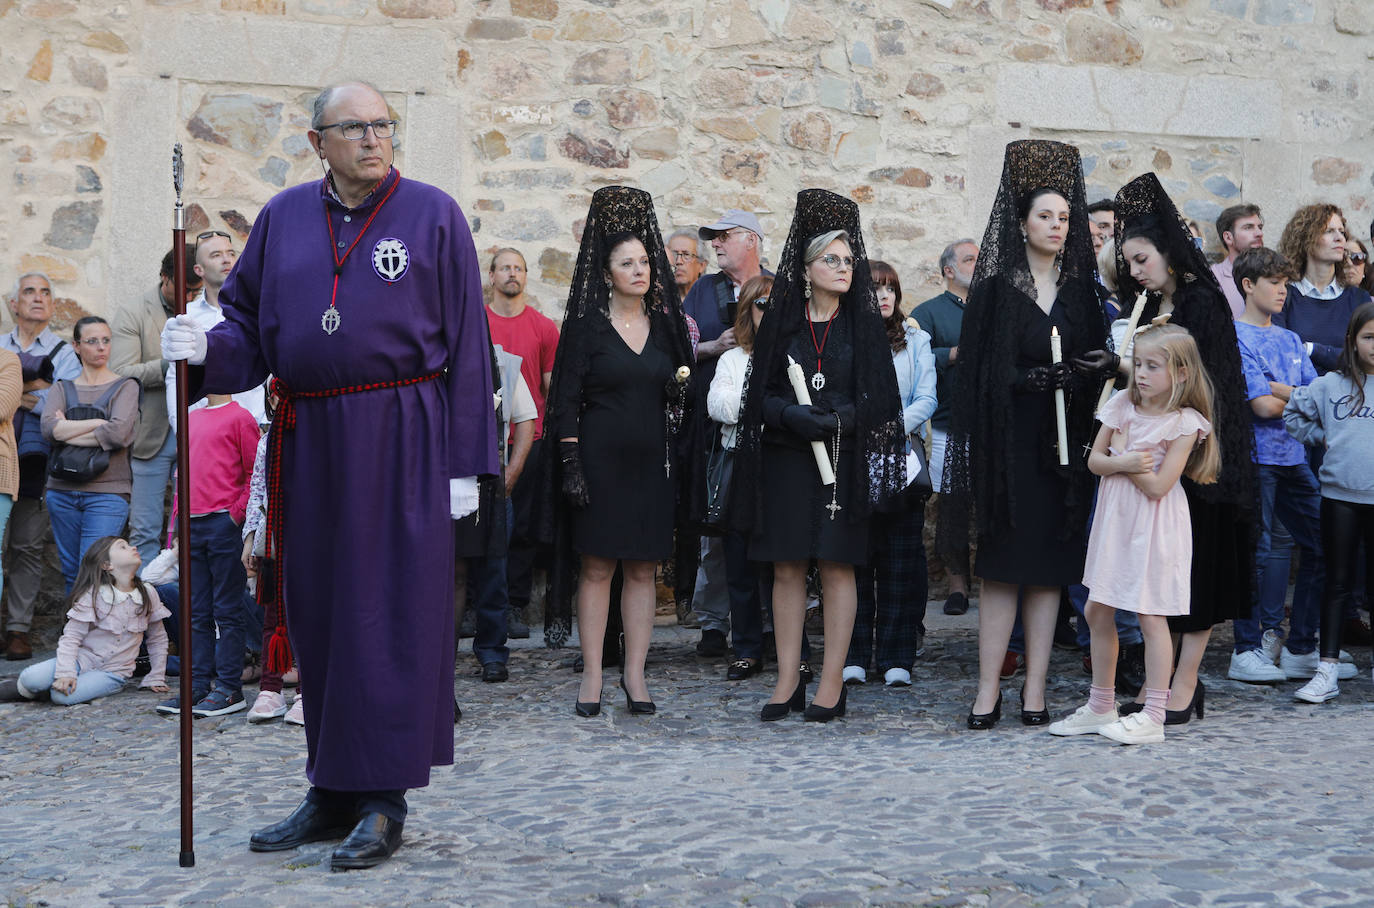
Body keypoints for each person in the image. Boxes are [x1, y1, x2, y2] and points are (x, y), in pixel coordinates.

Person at [160, 81, 497, 871]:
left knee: (387, 613)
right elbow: (245, 324)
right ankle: (330, 786)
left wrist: (463, 466)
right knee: (319, 609)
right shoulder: (281, 219)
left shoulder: (433, 214)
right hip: (310, 435)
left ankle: (382, 799)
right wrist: (202, 345)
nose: (374, 139)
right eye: (355, 128)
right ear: (318, 142)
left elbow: (470, 344)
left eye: (383, 125)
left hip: (403, 432)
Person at [938, 141, 1115, 730]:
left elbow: (1095, 363)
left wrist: (1095, 371)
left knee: (1047, 572)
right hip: (1009, 448)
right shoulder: (994, 292)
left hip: (1060, 455)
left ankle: (1035, 689)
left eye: (1066, 218)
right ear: (1021, 223)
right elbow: (982, 376)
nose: (1058, 226)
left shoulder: (1082, 293)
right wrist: (1039, 375)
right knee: (1004, 570)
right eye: (1046, 216)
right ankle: (988, 688)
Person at [730, 188, 904, 723]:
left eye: (849, 260)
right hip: (787, 458)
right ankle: (788, 678)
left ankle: (832, 681)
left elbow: (881, 396)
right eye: (833, 259)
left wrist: (840, 419)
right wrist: (790, 416)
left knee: (836, 565)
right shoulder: (783, 322)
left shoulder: (862, 326)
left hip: (841, 460)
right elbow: (759, 393)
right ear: (807, 268)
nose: (844, 268)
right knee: (786, 568)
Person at [538, 185, 694, 717]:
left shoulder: (666, 328)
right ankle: (590, 674)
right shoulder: (585, 327)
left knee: (644, 570)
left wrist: (678, 391)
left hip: (652, 465)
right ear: (606, 273)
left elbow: (680, 393)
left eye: (645, 261)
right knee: (599, 567)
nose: (639, 270)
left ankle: (635, 675)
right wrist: (571, 464)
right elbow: (564, 402)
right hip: (599, 465)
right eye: (627, 263)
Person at [1112, 172, 1259, 723]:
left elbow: (1191, 380)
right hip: (1166, 455)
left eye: (1141, 259)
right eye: (1128, 262)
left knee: (1199, 573)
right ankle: (1166, 685)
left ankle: (1185, 684)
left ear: (1170, 256)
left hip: (1203, 460)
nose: (1134, 271)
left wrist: (1121, 367)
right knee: (1168, 572)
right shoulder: (1155, 307)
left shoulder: (1199, 302)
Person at [1049, 325, 1218, 744]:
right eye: (1138, 364)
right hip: (1116, 521)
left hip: (1154, 526)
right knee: (1096, 610)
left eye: (1151, 366)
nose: (1139, 373)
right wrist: (1125, 460)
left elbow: (1161, 486)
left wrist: (1125, 461)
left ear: (1180, 373)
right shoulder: (1123, 403)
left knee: (1150, 615)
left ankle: (1154, 714)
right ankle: (1101, 705)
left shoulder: (1184, 423)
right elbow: (1095, 463)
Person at [1225, 247, 1352, 686]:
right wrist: (1296, 395)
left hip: (1295, 457)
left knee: (1324, 544)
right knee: (1255, 554)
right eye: (1275, 283)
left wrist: (1289, 394)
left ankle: (1300, 647)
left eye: (1285, 283)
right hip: (1256, 459)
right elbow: (1261, 406)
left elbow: (1315, 403)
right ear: (1248, 285)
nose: (1283, 291)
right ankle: (1248, 647)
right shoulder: (1234, 337)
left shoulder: (1291, 339)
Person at [843, 261, 936, 688]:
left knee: (901, 558)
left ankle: (897, 655)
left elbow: (927, 398)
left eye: (891, 290)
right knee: (857, 557)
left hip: (902, 456)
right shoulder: (846, 339)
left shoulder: (916, 340)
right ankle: (856, 653)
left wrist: (891, 425)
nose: (884, 297)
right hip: (855, 457)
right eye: (876, 289)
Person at [684, 210, 769, 655]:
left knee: (767, 531)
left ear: (751, 241)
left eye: (724, 237)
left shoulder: (778, 287)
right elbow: (677, 345)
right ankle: (714, 622)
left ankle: (767, 626)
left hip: (771, 434)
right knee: (714, 529)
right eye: (712, 238)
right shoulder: (702, 289)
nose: (715, 245)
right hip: (711, 427)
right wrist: (711, 348)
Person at [1285, 302, 1374, 701]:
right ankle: (1327, 669)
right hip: (1339, 497)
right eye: (1369, 337)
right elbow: (1293, 414)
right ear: (1353, 341)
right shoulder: (1330, 385)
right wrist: (1319, 437)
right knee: (1336, 583)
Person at [153, 392, 260, 718]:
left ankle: (229, 689)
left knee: (227, 610)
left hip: (223, 524)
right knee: (195, 611)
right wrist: (177, 528)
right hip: (193, 525)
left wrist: (234, 515)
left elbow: (255, 472)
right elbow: (182, 476)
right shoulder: (190, 419)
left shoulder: (241, 417)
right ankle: (197, 686)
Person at [2, 271, 81, 661]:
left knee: (27, 547)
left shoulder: (66, 352)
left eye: (45, 293)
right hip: (1, 456)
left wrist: (12, 390)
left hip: (36, 462)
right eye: (28, 292)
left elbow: (61, 405)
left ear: (52, 305)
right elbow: (45, 396)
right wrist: (33, 388)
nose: (37, 298)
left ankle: (18, 629)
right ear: (14, 303)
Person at [110, 247, 203, 564]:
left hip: (200, 430)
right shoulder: (133, 311)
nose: (190, 297)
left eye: (196, 291)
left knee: (198, 526)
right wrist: (171, 364)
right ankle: (146, 605)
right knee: (145, 527)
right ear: (165, 278)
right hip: (152, 434)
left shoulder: (208, 310)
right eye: (185, 289)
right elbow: (120, 372)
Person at [484, 247, 558, 640]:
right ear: (492, 276)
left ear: (526, 276)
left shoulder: (544, 327)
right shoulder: (477, 321)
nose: (512, 274)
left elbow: (550, 386)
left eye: (519, 268)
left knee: (523, 526)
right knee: (480, 528)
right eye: (505, 268)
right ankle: (478, 606)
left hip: (531, 439)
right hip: (483, 440)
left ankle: (514, 605)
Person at [0, 536, 169, 705]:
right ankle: (30, 687)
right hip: (81, 660)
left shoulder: (148, 593)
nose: (133, 547)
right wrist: (66, 672)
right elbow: (72, 637)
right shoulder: (94, 594)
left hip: (112, 673)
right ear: (107, 565)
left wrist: (156, 676)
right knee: (31, 678)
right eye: (123, 547)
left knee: (62, 696)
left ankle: (48, 689)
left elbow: (157, 638)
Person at [706, 273, 773, 680]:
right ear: (749, 310)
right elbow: (718, 403)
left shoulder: (794, 355)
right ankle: (747, 648)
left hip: (782, 469)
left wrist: (752, 405)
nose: (770, 311)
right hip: (739, 467)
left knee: (786, 566)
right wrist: (762, 404)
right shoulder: (733, 358)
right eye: (762, 303)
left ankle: (790, 647)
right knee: (740, 565)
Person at [41, 316, 140, 590]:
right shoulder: (62, 387)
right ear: (76, 346)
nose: (101, 347)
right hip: (61, 491)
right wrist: (98, 424)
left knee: (95, 572)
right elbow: (49, 430)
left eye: (106, 340)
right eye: (92, 341)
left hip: (107, 493)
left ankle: (99, 634)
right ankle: (75, 633)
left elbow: (118, 434)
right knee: (72, 574)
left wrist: (67, 428)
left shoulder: (125, 386)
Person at [913, 239, 976, 617]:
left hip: (989, 425)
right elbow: (913, 355)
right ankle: (957, 587)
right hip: (947, 426)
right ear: (949, 270)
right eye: (970, 259)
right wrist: (951, 354)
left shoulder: (995, 309)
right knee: (952, 507)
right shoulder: (929, 312)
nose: (978, 264)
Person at [165, 231, 267, 430]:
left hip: (252, 425)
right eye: (216, 255)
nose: (226, 260)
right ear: (199, 269)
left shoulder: (256, 311)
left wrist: (265, 421)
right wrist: (181, 427)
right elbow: (175, 375)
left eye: (231, 253)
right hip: (206, 430)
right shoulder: (187, 317)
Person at [1276, 203, 1373, 374]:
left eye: (1341, 232)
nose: (1340, 238)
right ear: (1306, 238)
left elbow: (1364, 359)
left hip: (1350, 396)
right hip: (1297, 396)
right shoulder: (1283, 295)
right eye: (1329, 231)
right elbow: (1282, 356)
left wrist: (1311, 349)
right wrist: (1337, 357)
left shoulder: (1359, 299)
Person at [1211, 204, 1265, 318]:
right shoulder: (1213, 279)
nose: (1259, 233)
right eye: (1248, 227)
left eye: (1259, 227)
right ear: (1228, 237)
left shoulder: (1274, 274)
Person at [667, 228, 709, 298]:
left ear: (702, 265)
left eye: (686, 255)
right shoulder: (657, 301)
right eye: (674, 254)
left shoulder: (711, 300)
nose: (678, 261)